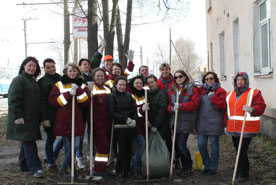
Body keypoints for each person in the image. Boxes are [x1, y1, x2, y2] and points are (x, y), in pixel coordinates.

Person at [49, 63, 90, 178]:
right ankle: (72, 171)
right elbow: (54, 102)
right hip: (64, 120)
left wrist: (78, 91)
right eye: (70, 71)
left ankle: (62, 170)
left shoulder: (82, 85)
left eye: (74, 71)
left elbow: (86, 103)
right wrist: (68, 94)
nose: (72, 73)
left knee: (75, 145)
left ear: (78, 72)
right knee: (68, 147)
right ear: (66, 72)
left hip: (77, 120)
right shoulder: (59, 85)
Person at [6, 56, 43, 178]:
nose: (32, 68)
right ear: (24, 66)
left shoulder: (32, 81)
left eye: (34, 66)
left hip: (31, 119)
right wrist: (17, 116)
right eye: (30, 65)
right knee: (29, 141)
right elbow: (13, 99)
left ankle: (23, 165)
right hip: (22, 118)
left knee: (26, 140)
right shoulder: (19, 80)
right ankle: (36, 168)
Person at [226, 72, 266, 181]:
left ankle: (240, 173)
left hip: (247, 128)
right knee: (238, 149)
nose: (240, 81)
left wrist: (253, 109)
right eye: (238, 80)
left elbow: (261, 107)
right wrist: (225, 124)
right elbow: (226, 111)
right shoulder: (229, 94)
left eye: (242, 80)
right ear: (235, 81)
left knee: (241, 149)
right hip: (233, 128)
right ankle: (245, 170)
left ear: (246, 81)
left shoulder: (254, 93)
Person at [167, 70, 200, 177]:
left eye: (180, 76)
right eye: (176, 77)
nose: (178, 79)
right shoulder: (172, 90)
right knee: (176, 145)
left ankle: (188, 167)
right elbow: (168, 105)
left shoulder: (192, 89)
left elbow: (194, 104)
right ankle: (183, 167)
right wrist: (172, 108)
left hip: (185, 121)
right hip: (175, 120)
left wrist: (181, 106)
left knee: (181, 144)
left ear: (185, 77)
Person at [108, 76, 137, 181]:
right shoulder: (112, 96)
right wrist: (125, 119)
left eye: (124, 85)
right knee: (123, 149)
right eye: (120, 84)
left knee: (129, 150)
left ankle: (127, 170)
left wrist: (134, 120)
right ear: (116, 85)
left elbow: (134, 109)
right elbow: (112, 112)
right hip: (120, 126)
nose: (122, 87)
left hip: (130, 126)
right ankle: (119, 170)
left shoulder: (129, 95)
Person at [197, 72, 226, 176]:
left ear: (215, 80)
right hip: (202, 123)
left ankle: (213, 167)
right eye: (206, 79)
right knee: (201, 144)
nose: (209, 81)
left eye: (211, 79)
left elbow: (222, 106)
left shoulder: (220, 91)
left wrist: (213, 97)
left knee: (214, 146)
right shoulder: (201, 91)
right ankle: (207, 165)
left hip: (214, 122)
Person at [38, 58, 62, 172]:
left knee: (65, 137)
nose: (51, 69)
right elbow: (42, 102)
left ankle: (52, 155)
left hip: (62, 114)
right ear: (44, 68)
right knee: (50, 138)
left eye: (53, 66)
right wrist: (44, 118)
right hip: (49, 115)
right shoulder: (42, 82)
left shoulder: (60, 78)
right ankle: (51, 163)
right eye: (48, 68)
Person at [89, 68, 112, 177]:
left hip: (106, 121)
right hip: (96, 121)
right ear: (94, 76)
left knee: (104, 146)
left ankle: (102, 167)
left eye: (101, 76)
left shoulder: (107, 88)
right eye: (97, 76)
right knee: (103, 146)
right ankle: (97, 169)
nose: (100, 78)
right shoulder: (90, 87)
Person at [142, 75, 171, 150]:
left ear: (156, 82)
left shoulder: (162, 94)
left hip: (162, 125)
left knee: (165, 146)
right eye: (148, 83)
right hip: (149, 124)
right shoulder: (146, 94)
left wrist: (155, 125)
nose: (150, 84)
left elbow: (162, 111)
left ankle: (168, 160)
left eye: (152, 82)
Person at [76, 58, 93, 169]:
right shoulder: (78, 78)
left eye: (88, 64)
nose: (87, 66)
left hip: (91, 110)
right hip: (80, 111)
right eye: (84, 64)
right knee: (80, 135)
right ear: (80, 66)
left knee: (90, 133)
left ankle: (90, 155)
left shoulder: (91, 76)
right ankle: (79, 156)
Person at [128, 76, 146, 180]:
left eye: (140, 83)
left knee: (141, 146)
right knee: (142, 143)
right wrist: (142, 110)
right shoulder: (130, 96)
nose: (139, 85)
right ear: (133, 84)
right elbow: (133, 112)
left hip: (143, 124)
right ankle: (136, 167)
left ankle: (136, 165)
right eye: (137, 83)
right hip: (135, 125)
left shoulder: (144, 94)